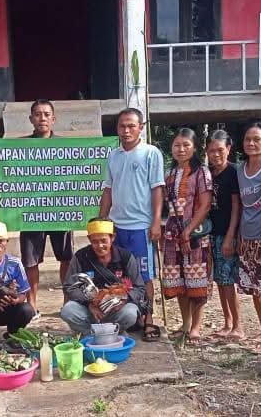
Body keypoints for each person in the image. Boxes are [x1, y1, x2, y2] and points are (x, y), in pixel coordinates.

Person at [98, 108, 165, 342]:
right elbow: (108, 189)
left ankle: (148, 320)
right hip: (117, 226)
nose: (126, 131)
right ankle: (132, 317)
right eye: (122, 126)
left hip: (140, 227)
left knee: (144, 276)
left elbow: (157, 189)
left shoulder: (150, 153)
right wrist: (101, 220)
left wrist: (156, 222)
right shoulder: (113, 155)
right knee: (119, 275)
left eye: (131, 126)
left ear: (141, 127)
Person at [223, 121, 261, 354]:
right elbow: (238, 206)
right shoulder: (240, 169)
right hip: (246, 237)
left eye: (257, 139)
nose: (251, 143)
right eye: (248, 139)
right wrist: (236, 235)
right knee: (255, 288)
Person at [19, 99, 73, 318]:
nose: (42, 118)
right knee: (31, 260)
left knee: (66, 258)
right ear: (31, 119)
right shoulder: (17, 149)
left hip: (60, 210)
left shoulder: (66, 147)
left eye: (46, 114)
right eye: (37, 114)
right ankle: (32, 302)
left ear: (53, 118)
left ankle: (68, 300)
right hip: (31, 212)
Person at [161, 128, 214, 344]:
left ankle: (196, 328)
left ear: (195, 148)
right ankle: (185, 323)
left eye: (186, 145)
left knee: (197, 282)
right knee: (180, 281)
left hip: (195, 234)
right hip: (173, 234)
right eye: (177, 145)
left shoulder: (202, 172)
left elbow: (205, 205)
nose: (181, 149)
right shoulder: (169, 174)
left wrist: (188, 229)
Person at [61, 218, 146, 335]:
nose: (100, 245)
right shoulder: (80, 257)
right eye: (95, 241)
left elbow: (139, 288)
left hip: (116, 311)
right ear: (89, 239)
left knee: (130, 313)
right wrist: (89, 303)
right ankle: (92, 333)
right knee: (68, 311)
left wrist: (124, 300)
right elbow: (69, 286)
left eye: (104, 240)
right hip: (90, 311)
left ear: (113, 238)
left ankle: (114, 330)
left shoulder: (125, 257)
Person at [205, 129, 243, 342]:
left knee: (228, 281)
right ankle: (227, 322)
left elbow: (237, 207)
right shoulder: (209, 173)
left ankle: (238, 325)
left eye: (220, 150)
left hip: (227, 234)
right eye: (211, 151)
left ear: (228, 149)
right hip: (212, 232)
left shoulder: (234, 172)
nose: (216, 154)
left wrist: (230, 236)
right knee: (220, 280)